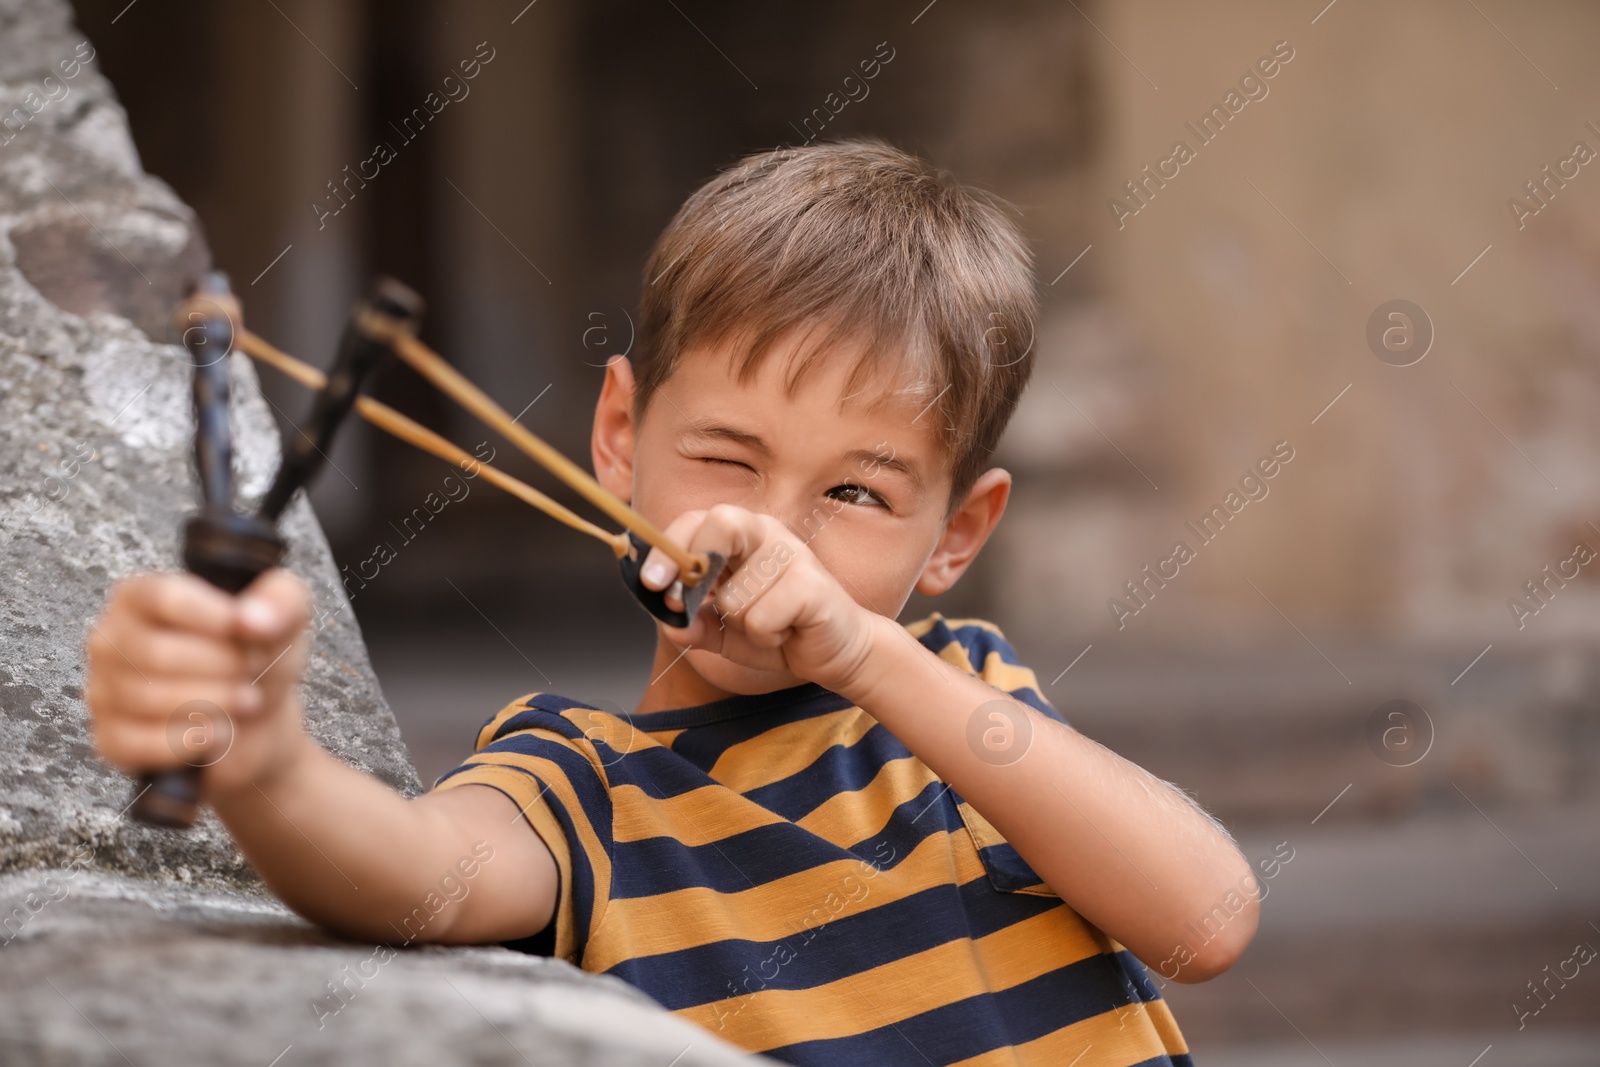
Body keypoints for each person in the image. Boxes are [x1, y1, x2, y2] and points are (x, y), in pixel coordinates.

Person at [86, 139, 1257, 1065]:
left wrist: (863, 651)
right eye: (726, 459)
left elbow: (1204, 918)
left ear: (955, 534)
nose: (772, 533)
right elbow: (414, 869)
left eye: (854, 490)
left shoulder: (967, 712)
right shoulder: (583, 787)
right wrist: (266, 763)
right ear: (617, 439)